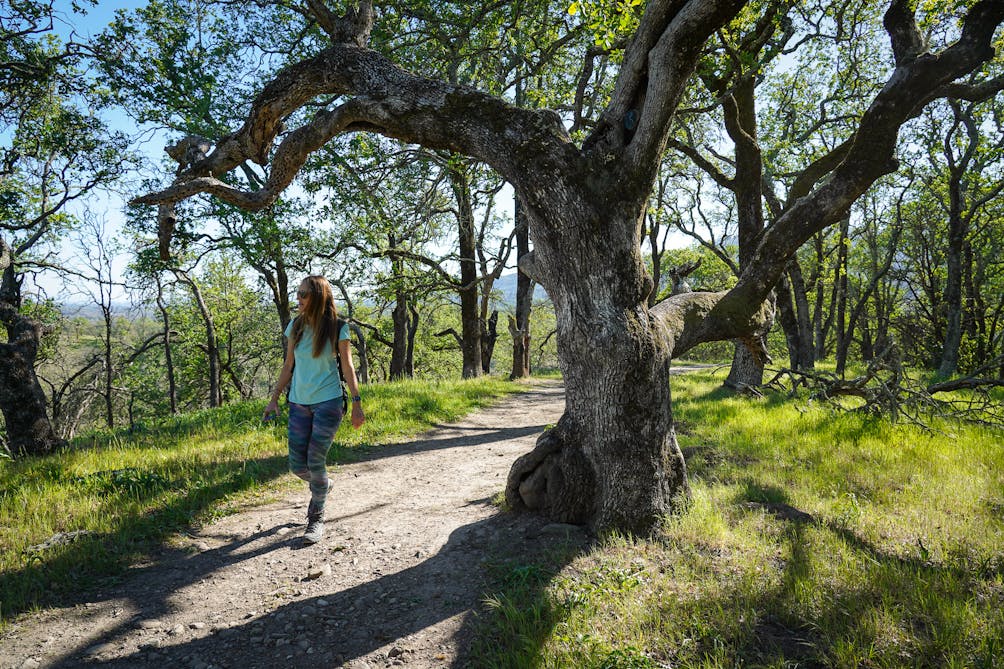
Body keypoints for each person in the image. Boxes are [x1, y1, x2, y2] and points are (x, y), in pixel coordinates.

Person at [263, 275, 365, 544]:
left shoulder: (337, 328)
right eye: (298, 293)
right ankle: (323, 485)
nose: (299, 298)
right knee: (298, 465)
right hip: (298, 402)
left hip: (328, 402)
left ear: (318, 296)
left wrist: (356, 402)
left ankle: (315, 518)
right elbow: (288, 366)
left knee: (315, 460)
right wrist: (273, 399)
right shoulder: (295, 327)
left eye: (304, 294)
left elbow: (347, 366)